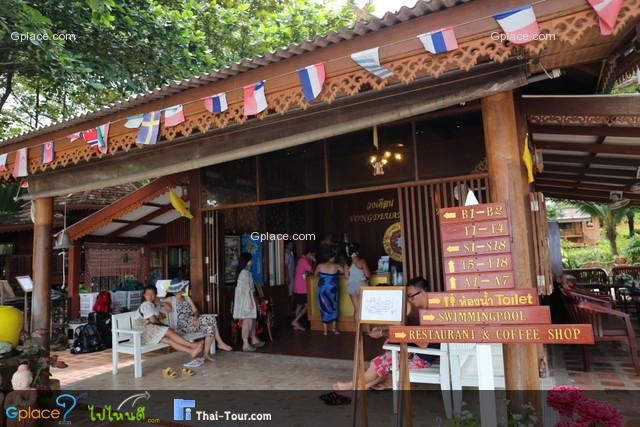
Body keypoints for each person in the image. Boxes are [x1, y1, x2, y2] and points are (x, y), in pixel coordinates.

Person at [332, 277, 439, 391]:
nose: (410, 300)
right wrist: (384, 330)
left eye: (411, 296)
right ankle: (365, 385)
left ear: (423, 292)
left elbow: (421, 342)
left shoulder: (431, 315)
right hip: (419, 353)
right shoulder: (423, 311)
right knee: (385, 359)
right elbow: (409, 331)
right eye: (408, 297)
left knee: (381, 362)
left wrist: (387, 332)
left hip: (423, 357)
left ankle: (351, 385)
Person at [163, 281, 232, 362]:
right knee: (211, 318)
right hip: (181, 326)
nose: (185, 288)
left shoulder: (187, 298)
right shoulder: (171, 299)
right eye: (183, 287)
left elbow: (195, 310)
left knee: (210, 327)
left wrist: (195, 318)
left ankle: (206, 354)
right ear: (178, 289)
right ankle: (220, 342)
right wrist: (165, 304)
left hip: (192, 323)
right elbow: (161, 302)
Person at [136, 285, 204, 363]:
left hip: (146, 333)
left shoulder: (154, 304)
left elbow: (167, 311)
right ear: (144, 295)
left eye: (152, 294)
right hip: (142, 331)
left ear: (156, 295)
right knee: (168, 330)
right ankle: (192, 345)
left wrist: (162, 303)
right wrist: (167, 327)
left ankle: (191, 351)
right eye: (148, 294)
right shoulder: (146, 304)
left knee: (168, 340)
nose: (150, 296)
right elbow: (154, 321)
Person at [233, 252, 265, 352]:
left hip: (247, 299)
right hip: (246, 300)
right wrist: (251, 302)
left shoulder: (245, 272)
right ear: (246, 261)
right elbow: (247, 290)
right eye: (250, 260)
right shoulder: (245, 273)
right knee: (248, 321)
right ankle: (245, 344)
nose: (252, 261)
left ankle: (254, 339)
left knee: (252, 320)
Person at [314, 250, 346, 336]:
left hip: (322, 289)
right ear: (331, 257)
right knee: (334, 307)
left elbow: (315, 274)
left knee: (323, 307)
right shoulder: (336, 265)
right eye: (334, 257)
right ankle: (334, 329)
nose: (335, 258)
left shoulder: (319, 265)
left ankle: (325, 331)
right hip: (332, 289)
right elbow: (345, 272)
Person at [344, 242, 370, 324]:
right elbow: (368, 275)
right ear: (357, 251)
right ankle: (368, 330)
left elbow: (346, 277)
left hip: (351, 286)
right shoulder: (361, 261)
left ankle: (357, 330)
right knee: (364, 309)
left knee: (356, 309)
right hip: (362, 286)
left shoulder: (347, 263)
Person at [291, 247, 316, 331]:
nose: (313, 256)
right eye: (312, 254)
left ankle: (296, 323)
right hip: (302, 287)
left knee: (299, 305)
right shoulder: (304, 260)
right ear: (309, 253)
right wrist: (314, 261)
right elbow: (313, 271)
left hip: (298, 286)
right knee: (308, 306)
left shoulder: (302, 260)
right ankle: (295, 321)